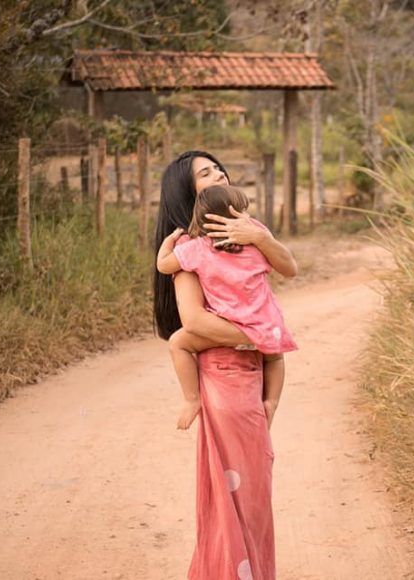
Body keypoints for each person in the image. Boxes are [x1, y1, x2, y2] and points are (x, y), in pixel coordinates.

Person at [153, 151, 297, 580]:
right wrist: (258, 337)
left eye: (218, 169)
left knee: (247, 490)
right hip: (227, 379)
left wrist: (259, 237)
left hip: (247, 377)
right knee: (240, 493)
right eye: (205, 173)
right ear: (190, 196)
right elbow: (193, 322)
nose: (218, 173)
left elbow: (290, 266)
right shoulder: (192, 252)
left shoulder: (250, 238)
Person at [156, 184, 297, 432]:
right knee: (275, 357)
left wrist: (169, 241)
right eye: (244, 211)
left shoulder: (197, 248)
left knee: (178, 343)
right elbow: (287, 268)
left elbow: (164, 266)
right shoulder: (256, 243)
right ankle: (272, 401)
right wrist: (258, 236)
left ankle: (191, 400)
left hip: (227, 325)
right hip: (265, 325)